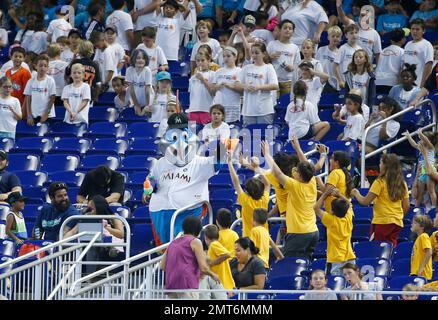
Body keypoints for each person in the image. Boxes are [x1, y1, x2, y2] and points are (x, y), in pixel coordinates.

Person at [144, 113, 223, 245]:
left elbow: (217, 162)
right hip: (160, 212)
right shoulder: (161, 162)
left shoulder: (199, 162)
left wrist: (217, 144)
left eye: (182, 131)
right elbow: (152, 179)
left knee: (181, 247)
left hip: (187, 212)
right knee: (165, 251)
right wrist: (148, 189)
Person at [261, 140, 319, 259]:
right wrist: (298, 149)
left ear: (301, 176)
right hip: (313, 232)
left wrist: (267, 154)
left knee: (289, 263)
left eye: (297, 171)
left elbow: (278, 174)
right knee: (304, 264)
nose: (294, 172)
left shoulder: (295, 186)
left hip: (299, 233)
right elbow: (306, 164)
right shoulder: (312, 181)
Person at [351, 154, 409, 247]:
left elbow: (365, 202)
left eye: (380, 163)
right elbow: (406, 206)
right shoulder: (402, 183)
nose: (379, 165)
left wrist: (355, 193)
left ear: (385, 165)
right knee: (390, 249)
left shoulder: (379, 182)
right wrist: (398, 216)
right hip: (397, 223)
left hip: (382, 222)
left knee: (376, 249)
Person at [160, 215, 220, 299]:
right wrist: (213, 275)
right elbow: (203, 267)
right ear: (198, 229)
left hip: (171, 285)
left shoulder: (173, 243)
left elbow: (162, 265)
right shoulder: (195, 241)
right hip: (188, 284)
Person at [314, 186, 356, 275]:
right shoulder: (348, 218)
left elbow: (316, 208)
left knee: (334, 284)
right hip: (350, 257)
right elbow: (348, 203)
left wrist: (325, 194)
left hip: (335, 259)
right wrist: (339, 194)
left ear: (332, 210)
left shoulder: (331, 220)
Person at [228, 152, 270, 238]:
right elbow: (267, 184)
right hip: (264, 237)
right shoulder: (264, 200)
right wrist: (257, 167)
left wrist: (229, 162)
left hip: (249, 239)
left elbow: (235, 181)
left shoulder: (246, 201)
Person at [237, 42, 279, 126]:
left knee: (264, 137)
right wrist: (246, 86)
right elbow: (237, 84)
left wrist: (258, 87)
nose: (254, 55)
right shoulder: (246, 68)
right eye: (252, 53)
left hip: (264, 110)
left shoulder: (268, 68)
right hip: (248, 110)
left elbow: (275, 85)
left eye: (257, 53)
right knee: (249, 137)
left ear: (263, 54)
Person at [404, 129, 438, 209]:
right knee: (420, 193)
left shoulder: (431, 148)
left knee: (431, 191)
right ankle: (416, 207)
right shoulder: (420, 149)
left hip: (430, 171)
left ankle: (434, 208)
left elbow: (426, 140)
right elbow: (414, 144)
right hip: (422, 172)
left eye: (421, 139)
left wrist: (420, 134)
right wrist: (408, 136)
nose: (420, 140)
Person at [267, 19, 301, 97]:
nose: (287, 30)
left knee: (285, 105)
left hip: (288, 82)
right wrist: (270, 57)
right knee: (273, 105)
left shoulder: (295, 48)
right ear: (280, 30)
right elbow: (263, 61)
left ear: (293, 31)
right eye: (285, 28)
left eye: (290, 28)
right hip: (273, 81)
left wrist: (292, 68)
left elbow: (298, 66)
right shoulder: (272, 44)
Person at [211, 46, 242, 123]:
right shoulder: (218, 71)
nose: (226, 58)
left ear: (235, 57)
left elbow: (242, 91)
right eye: (224, 56)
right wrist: (218, 86)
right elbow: (212, 90)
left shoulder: (239, 71)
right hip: (219, 107)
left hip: (232, 106)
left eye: (228, 56)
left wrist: (230, 86)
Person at [24, 54, 57, 126]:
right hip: (34, 115)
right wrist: (29, 115)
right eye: (40, 65)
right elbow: (28, 98)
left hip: (47, 116)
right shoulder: (31, 81)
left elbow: (52, 98)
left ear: (48, 67)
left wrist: (46, 113)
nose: (43, 68)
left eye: (45, 66)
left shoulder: (50, 80)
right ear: (35, 66)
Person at [402, 18, 434, 87]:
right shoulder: (408, 44)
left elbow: (428, 65)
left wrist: (423, 85)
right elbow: (404, 64)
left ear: (423, 31)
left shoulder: (427, 45)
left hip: (418, 84)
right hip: (406, 84)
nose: (414, 32)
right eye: (412, 29)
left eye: (417, 29)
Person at [204, 224, 235, 291]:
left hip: (223, 284)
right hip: (221, 284)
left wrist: (212, 262)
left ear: (205, 237)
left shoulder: (214, 244)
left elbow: (227, 254)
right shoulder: (214, 246)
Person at [375, 29, 406, 93]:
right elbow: (402, 69)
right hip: (392, 82)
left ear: (391, 40)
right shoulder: (403, 52)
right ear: (403, 39)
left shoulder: (383, 50)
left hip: (377, 80)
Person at [188, 52, 216, 125]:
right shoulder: (192, 78)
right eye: (198, 61)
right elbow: (191, 95)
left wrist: (203, 80)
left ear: (209, 60)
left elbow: (213, 92)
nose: (200, 63)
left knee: (206, 133)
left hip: (206, 109)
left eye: (203, 60)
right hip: (193, 110)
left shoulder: (213, 74)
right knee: (192, 133)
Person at [5, 46, 32, 116]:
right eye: (15, 56)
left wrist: (23, 109)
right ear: (11, 57)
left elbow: (28, 93)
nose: (17, 58)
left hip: (21, 106)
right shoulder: (7, 72)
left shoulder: (25, 73)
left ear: (24, 58)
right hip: (9, 106)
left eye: (20, 57)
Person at [126, 49, 153, 116]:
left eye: (143, 58)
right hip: (135, 98)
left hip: (148, 98)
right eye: (138, 58)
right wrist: (136, 104)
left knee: (146, 115)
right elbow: (131, 89)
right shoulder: (129, 70)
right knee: (136, 114)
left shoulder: (147, 70)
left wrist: (148, 105)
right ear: (134, 59)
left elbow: (147, 90)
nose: (141, 60)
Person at [334, 24, 361, 90]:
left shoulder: (360, 49)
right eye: (351, 33)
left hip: (357, 82)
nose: (354, 35)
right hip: (345, 82)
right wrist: (340, 80)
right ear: (346, 35)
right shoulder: (343, 48)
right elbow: (335, 66)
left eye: (356, 33)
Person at [316, 25, 342, 93]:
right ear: (328, 37)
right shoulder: (321, 49)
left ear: (340, 39)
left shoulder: (340, 53)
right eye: (333, 36)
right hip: (320, 81)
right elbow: (316, 65)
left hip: (332, 84)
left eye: (337, 36)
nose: (335, 38)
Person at [410, 214, 433, 280]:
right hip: (416, 273)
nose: (412, 224)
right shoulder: (419, 238)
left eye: (414, 223)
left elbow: (429, 252)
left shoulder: (424, 236)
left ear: (422, 227)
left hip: (422, 274)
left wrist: (421, 268)